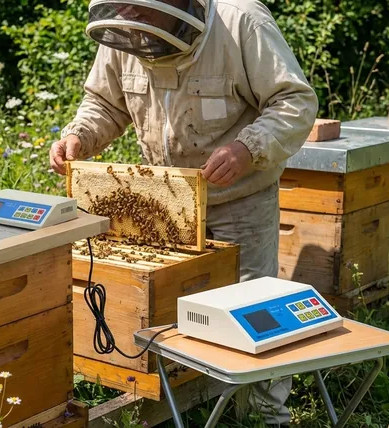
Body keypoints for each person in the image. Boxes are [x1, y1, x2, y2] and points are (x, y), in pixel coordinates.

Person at [49, 0, 319, 426]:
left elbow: (294, 101)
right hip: (164, 205)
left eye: (142, 13)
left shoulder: (241, 22)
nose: (133, 24)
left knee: (253, 310)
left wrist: (249, 147)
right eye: (125, 10)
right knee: (171, 309)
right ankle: (188, 401)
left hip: (239, 201)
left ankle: (265, 415)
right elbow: (105, 103)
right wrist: (80, 136)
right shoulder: (125, 25)